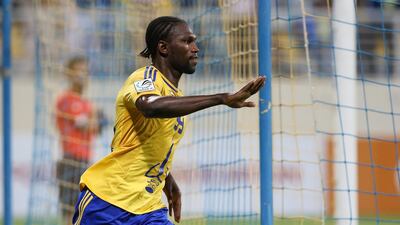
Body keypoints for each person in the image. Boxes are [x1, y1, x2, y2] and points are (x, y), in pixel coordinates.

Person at [72, 16, 265, 225]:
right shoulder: (144, 77)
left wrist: (167, 179)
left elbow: (150, 142)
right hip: (108, 201)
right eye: (187, 41)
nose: (195, 48)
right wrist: (221, 98)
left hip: (149, 207)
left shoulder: (176, 97)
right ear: (163, 48)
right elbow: (151, 107)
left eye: (194, 41)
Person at [55, 56, 104, 224]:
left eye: (85, 71)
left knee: (84, 212)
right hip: (70, 160)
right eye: (78, 71)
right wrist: (95, 116)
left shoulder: (87, 103)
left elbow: (96, 128)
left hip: (85, 161)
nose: (82, 75)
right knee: (70, 212)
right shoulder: (65, 99)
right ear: (69, 74)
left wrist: (95, 119)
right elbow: (84, 124)